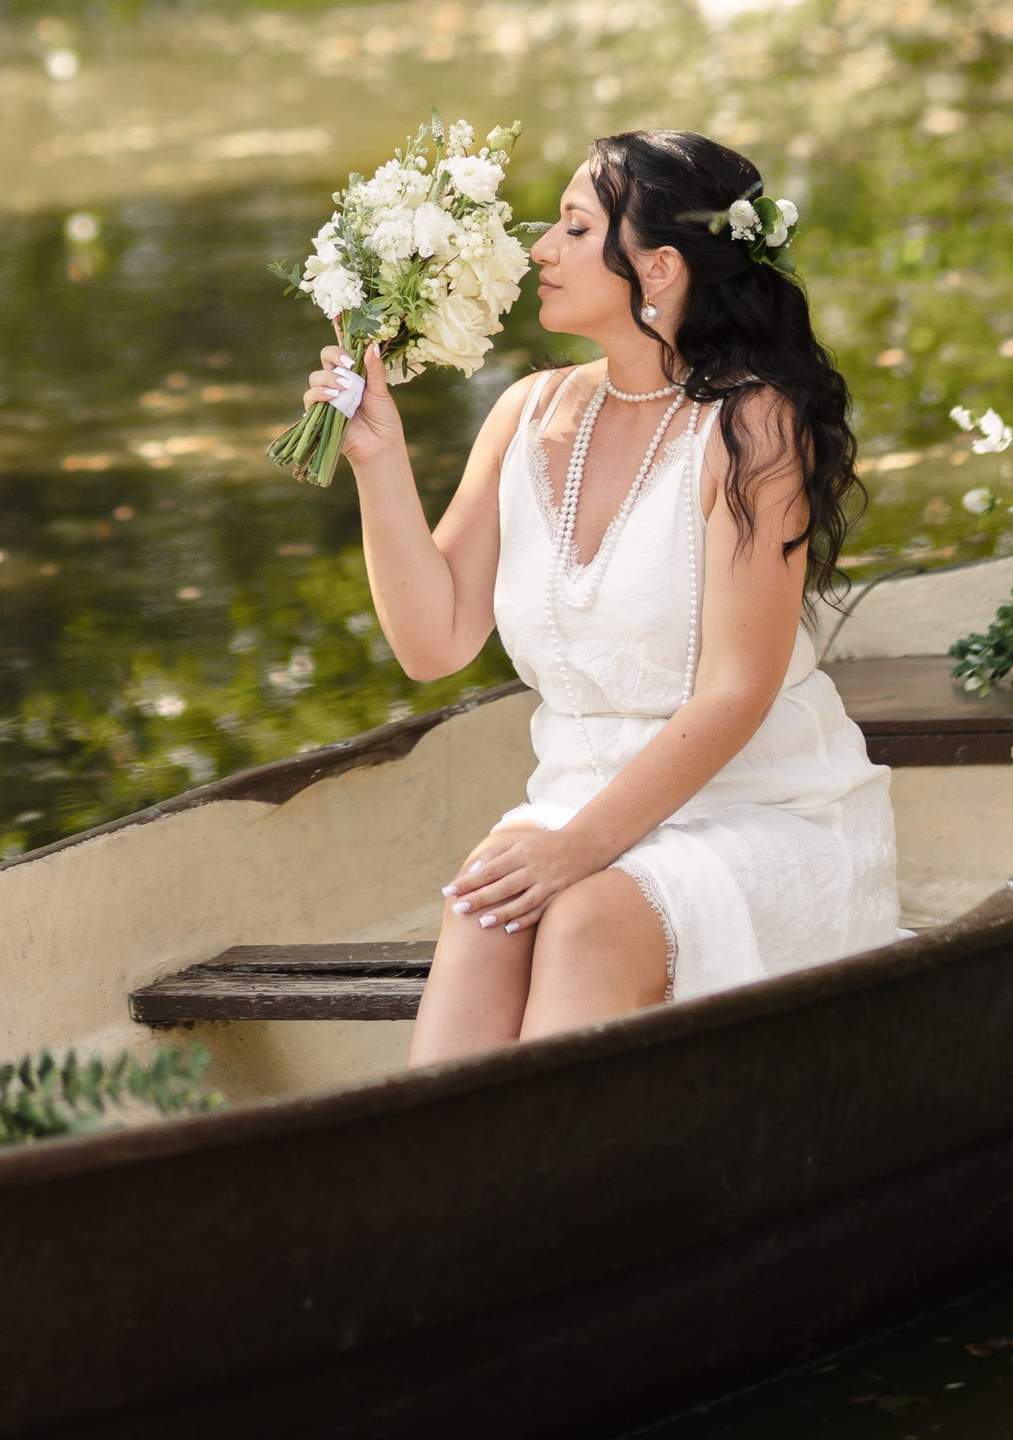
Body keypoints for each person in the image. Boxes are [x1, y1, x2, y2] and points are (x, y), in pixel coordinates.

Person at [301, 126, 899, 1060]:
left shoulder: (756, 426)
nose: (540, 248)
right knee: (480, 914)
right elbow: (435, 644)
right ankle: (437, 1192)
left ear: (657, 268)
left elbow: (738, 692)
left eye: (575, 229)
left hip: (758, 808)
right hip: (570, 804)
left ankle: (543, 1194)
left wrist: (575, 851)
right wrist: (378, 459)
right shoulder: (527, 413)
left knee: (584, 921)